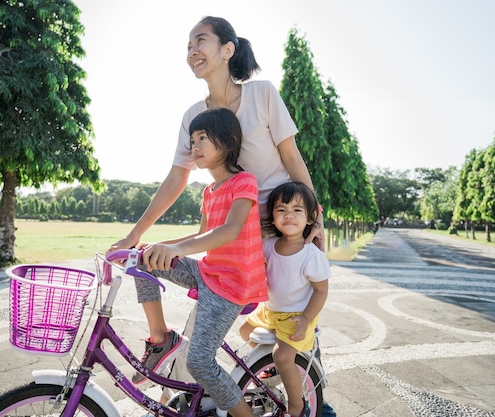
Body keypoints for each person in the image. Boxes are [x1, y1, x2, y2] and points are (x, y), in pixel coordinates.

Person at [108, 14, 324, 403]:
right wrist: (135, 235)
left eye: (200, 41)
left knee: (296, 318)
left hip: (280, 227)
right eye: (188, 46)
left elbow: (291, 157)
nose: (192, 51)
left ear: (228, 49)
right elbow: (176, 179)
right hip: (232, 236)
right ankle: (195, 398)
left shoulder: (262, 94)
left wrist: (313, 219)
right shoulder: (196, 118)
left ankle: (313, 404)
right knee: (203, 331)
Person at [131, 107, 267, 417]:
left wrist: (177, 247)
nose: (195, 146)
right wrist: (159, 246)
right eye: (192, 139)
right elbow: (204, 234)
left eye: (203, 138)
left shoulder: (243, 182)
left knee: (199, 362)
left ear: (228, 141)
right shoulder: (209, 191)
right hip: (207, 273)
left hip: (231, 286)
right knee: (142, 260)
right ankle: (161, 339)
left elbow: (230, 231)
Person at [239, 182, 331, 417]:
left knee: (282, 355)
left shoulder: (311, 254)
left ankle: (296, 404)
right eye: (281, 210)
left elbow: (321, 290)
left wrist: (306, 318)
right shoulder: (269, 245)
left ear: (311, 218)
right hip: (270, 310)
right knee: (244, 331)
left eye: (297, 210)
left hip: (296, 315)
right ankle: (274, 369)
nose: (289, 215)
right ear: (272, 216)